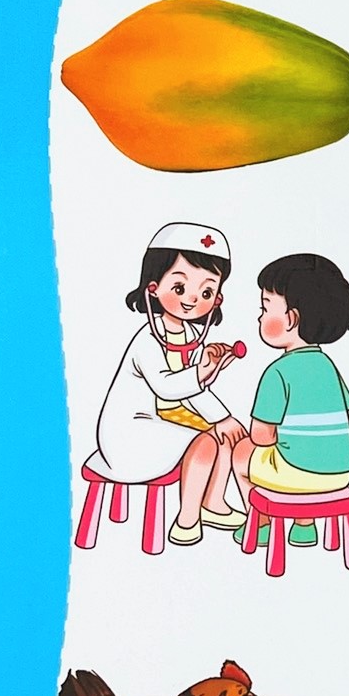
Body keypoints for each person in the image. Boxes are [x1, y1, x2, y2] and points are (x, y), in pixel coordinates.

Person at [88, 222, 247, 546]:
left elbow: (195, 394)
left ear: (217, 298)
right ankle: (186, 520)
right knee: (204, 442)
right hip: (130, 435)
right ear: (153, 287)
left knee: (225, 434)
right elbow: (166, 387)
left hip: (162, 423)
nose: (192, 299)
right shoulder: (148, 339)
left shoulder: (191, 335)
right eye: (179, 287)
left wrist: (223, 414)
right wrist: (201, 372)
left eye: (206, 292)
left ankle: (213, 503)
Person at [235, 252, 349, 548]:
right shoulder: (327, 367)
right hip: (339, 476)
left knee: (241, 452)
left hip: (294, 474)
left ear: (291, 319)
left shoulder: (278, 372)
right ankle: (304, 526)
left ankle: (261, 522)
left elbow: (261, 435)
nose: (260, 317)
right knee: (297, 453)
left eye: (265, 308)